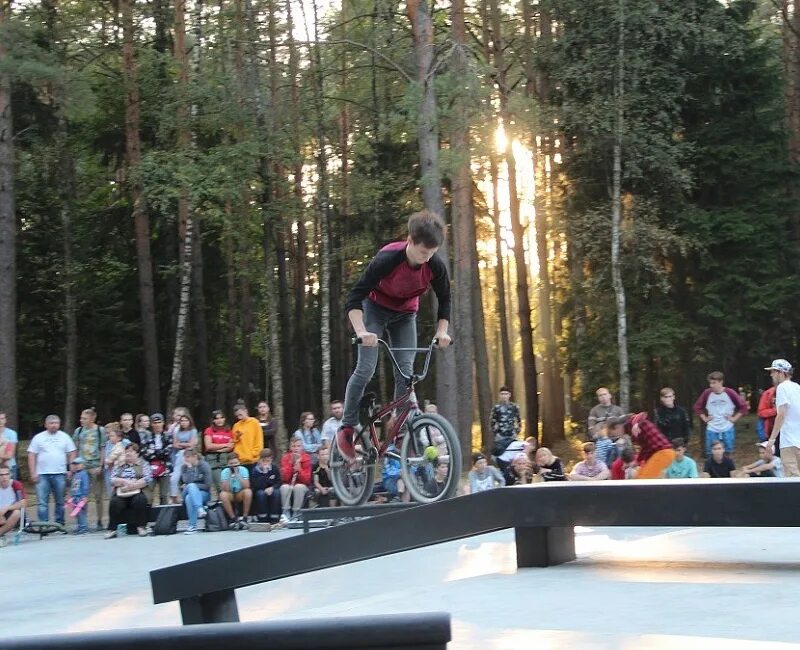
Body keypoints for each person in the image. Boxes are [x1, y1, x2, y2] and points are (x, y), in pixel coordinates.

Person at [337, 210, 452, 460]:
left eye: (432, 253)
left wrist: (442, 331)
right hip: (374, 310)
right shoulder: (387, 258)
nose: (427, 258)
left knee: (406, 373)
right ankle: (346, 427)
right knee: (366, 368)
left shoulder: (435, 266)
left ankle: (400, 432)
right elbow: (355, 297)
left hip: (405, 315)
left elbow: (445, 300)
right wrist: (361, 331)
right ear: (410, 241)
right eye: (423, 252)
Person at [28, 415, 76, 524]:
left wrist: (70, 469)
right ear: (45, 425)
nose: (54, 425)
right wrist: (33, 472)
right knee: (42, 502)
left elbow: (72, 452)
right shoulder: (38, 438)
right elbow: (32, 455)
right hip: (42, 474)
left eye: (56, 423)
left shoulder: (65, 437)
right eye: (51, 423)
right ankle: (44, 525)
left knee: (60, 501)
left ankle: (59, 524)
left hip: (60, 473)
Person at [693, 370, 748, 455]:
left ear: (721, 382)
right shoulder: (707, 393)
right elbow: (697, 407)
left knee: (727, 453)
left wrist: (734, 418)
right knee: (711, 453)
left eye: (714, 383)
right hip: (712, 428)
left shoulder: (730, 393)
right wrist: (704, 418)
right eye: (710, 383)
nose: (712, 385)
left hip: (727, 428)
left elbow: (743, 407)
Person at [105, 444, 152, 538]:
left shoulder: (143, 464)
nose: (128, 454)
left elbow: (147, 478)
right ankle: (112, 529)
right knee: (114, 502)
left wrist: (132, 486)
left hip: (137, 490)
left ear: (137, 454)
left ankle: (141, 527)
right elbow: (112, 479)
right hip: (122, 490)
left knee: (140, 500)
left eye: (131, 451)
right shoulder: (119, 464)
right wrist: (124, 481)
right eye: (126, 452)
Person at [72, 408, 106, 530]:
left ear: (92, 418)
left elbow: (103, 448)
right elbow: (75, 448)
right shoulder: (78, 431)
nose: (81, 420)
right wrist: (74, 465)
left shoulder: (99, 430)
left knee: (97, 495)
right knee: (80, 495)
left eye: (84, 418)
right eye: (81, 418)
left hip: (95, 465)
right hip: (82, 467)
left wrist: (101, 465)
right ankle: (82, 522)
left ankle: (99, 521)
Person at [765, 359, 800, 476]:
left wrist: (771, 439)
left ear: (781, 372)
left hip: (789, 441)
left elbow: (781, 414)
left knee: (792, 479)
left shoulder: (782, 388)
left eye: (773, 371)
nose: (771, 375)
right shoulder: (797, 387)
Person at [626, 412, 675, 479]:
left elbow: (646, 446)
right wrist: (637, 461)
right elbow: (647, 446)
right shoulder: (642, 424)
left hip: (662, 453)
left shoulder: (641, 425)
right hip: (659, 454)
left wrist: (637, 461)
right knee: (637, 478)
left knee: (645, 480)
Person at [140, 413, 172, 505]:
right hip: (150, 468)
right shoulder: (147, 436)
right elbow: (145, 453)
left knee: (164, 495)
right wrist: (159, 453)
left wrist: (154, 453)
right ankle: (148, 516)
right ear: (151, 424)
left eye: (159, 422)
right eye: (155, 423)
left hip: (165, 468)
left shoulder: (168, 435)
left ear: (163, 423)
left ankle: (165, 516)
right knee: (148, 493)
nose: (157, 425)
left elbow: (168, 451)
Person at [279, 436, 312, 523]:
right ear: (290, 447)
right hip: (289, 483)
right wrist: (291, 465)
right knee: (284, 487)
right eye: (294, 446)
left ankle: (296, 513)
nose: (296, 448)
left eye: (298, 446)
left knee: (299, 487)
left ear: (301, 447)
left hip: (302, 485)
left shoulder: (306, 458)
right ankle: (286, 512)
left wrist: (299, 469)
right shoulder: (285, 458)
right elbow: (284, 478)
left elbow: (307, 480)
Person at [180, 449, 213, 535]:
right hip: (186, 491)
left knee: (189, 498)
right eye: (185, 457)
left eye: (188, 457)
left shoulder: (204, 466)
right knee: (191, 487)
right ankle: (199, 508)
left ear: (195, 456)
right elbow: (186, 481)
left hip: (203, 493)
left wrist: (193, 486)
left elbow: (207, 485)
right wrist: (190, 469)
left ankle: (192, 526)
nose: (186, 460)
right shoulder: (184, 467)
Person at [169, 413, 198, 503]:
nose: (184, 422)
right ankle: (174, 497)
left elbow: (192, 444)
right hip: (179, 455)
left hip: (190, 455)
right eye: (182, 421)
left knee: (189, 476)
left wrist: (181, 443)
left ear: (190, 421)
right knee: (174, 478)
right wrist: (185, 444)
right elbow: (175, 444)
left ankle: (190, 496)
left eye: (186, 420)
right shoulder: (177, 430)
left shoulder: (193, 430)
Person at [203, 410, 235, 491]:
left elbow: (231, 446)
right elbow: (209, 446)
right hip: (213, 461)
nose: (219, 420)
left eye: (221, 418)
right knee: (220, 486)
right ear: (213, 420)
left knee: (230, 485)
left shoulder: (229, 431)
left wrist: (218, 449)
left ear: (224, 419)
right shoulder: (209, 430)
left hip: (226, 460)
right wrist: (225, 445)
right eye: (216, 418)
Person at [219, 453, 253, 529]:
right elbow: (225, 489)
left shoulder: (244, 470)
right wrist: (229, 476)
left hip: (240, 492)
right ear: (228, 464)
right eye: (231, 464)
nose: (234, 465)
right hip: (230, 493)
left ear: (239, 462)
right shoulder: (224, 472)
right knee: (222, 494)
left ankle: (245, 518)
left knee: (248, 492)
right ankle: (233, 519)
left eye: (235, 463)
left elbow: (247, 486)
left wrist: (238, 475)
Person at [251, 448, 281, 524]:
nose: (266, 463)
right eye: (264, 461)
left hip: (271, 488)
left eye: (268, 461)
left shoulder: (274, 468)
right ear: (260, 460)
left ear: (271, 460)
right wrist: (264, 474)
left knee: (276, 493)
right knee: (261, 494)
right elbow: (256, 485)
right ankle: (262, 517)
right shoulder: (255, 470)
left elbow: (278, 481)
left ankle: (274, 517)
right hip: (260, 489)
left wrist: (272, 487)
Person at [231, 404, 263, 472]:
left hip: (252, 459)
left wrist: (254, 453)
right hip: (239, 460)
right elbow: (234, 442)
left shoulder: (254, 422)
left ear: (246, 411)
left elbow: (259, 440)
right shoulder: (236, 425)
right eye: (237, 416)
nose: (239, 417)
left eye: (240, 415)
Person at [490, 387, 522, 455]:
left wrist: (516, 431)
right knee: (500, 453)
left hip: (512, 434)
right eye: (502, 394)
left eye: (506, 394)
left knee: (513, 453)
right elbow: (492, 422)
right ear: (499, 395)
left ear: (509, 395)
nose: (504, 396)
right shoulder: (496, 408)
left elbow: (518, 420)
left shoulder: (514, 407)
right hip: (500, 435)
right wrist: (496, 433)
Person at [0, 466, 26, 547]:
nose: (4, 477)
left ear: (10, 474)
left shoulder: (15, 484)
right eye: (1, 475)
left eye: (6, 474)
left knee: (17, 513)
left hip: (11, 513)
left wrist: (7, 508)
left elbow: (23, 503)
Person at [103, 424, 129, 497]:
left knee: (120, 492)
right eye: (107, 433)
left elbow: (112, 457)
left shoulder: (123, 443)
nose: (108, 436)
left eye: (110, 434)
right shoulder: (107, 443)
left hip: (120, 469)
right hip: (110, 471)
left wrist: (107, 461)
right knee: (110, 493)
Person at [66, 457, 90, 534]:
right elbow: (73, 485)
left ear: (83, 465)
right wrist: (72, 495)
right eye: (75, 464)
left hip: (81, 497)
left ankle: (84, 528)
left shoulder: (84, 474)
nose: (76, 466)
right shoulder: (75, 474)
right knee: (76, 513)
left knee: (81, 513)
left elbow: (85, 485)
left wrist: (85, 495)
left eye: (78, 464)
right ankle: (79, 526)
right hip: (75, 496)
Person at [0, 411, 18, 480]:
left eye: (2, 418)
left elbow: (10, 455)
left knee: (11, 489)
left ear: (5, 420)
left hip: (10, 467)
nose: (0, 421)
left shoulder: (12, 433)